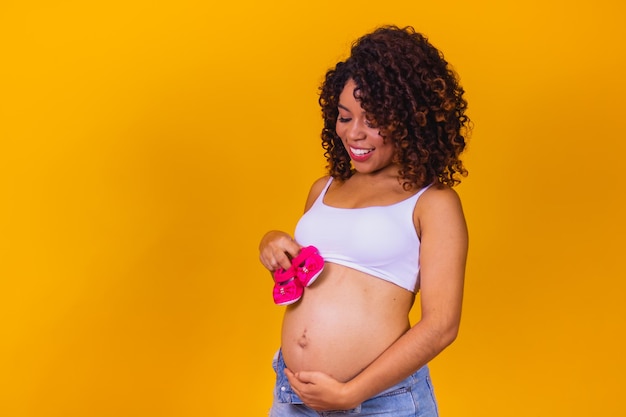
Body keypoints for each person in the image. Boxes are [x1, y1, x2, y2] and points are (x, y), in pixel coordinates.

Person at [259, 25, 470, 417]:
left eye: (373, 119)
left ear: (411, 119)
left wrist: (350, 393)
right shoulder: (324, 188)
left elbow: (441, 325)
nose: (354, 133)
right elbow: (310, 275)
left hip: (380, 403)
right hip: (293, 397)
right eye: (344, 116)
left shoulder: (433, 203)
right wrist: (272, 243)